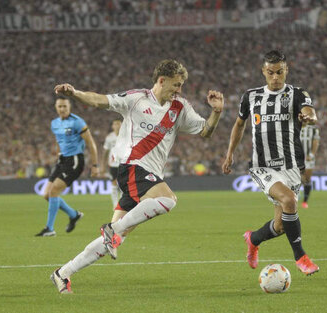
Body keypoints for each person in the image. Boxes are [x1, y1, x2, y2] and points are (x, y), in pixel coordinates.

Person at [50, 59, 224, 293]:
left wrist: (216, 112)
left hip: (148, 174)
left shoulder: (179, 107)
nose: (179, 90)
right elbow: (101, 100)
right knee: (168, 199)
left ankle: (63, 273)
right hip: (132, 167)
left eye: (181, 85)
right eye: (176, 84)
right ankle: (111, 231)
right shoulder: (136, 99)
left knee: (116, 237)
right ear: (162, 80)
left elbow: (205, 132)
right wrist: (75, 93)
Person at [222, 50, 319, 275]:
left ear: (287, 71)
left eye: (280, 72)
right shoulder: (251, 96)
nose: (275, 77)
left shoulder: (297, 94)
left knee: (282, 224)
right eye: (271, 72)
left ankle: (253, 239)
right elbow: (239, 125)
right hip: (262, 165)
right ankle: (301, 258)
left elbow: (310, 113)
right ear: (263, 72)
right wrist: (229, 154)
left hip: (291, 166)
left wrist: (309, 118)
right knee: (289, 199)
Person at [35, 98, 99, 237]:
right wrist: (58, 154)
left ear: (69, 107)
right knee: (46, 194)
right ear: (56, 107)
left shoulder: (77, 122)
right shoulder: (54, 123)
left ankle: (49, 228)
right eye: (59, 106)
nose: (62, 109)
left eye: (64, 106)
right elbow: (59, 141)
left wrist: (95, 165)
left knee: (54, 191)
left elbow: (91, 143)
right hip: (62, 160)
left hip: (75, 160)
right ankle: (73, 214)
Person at [101, 118, 122, 209]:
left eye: (119, 124)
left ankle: (121, 204)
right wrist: (103, 165)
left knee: (123, 184)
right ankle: (115, 204)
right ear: (112, 126)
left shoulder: (126, 136)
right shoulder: (109, 137)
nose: (117, 126)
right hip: (113, 164)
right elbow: (105, 152)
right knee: (114, 183)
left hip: (124, 163)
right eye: (115, 124)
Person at [299, 123, 320, 209]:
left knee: (307, 179)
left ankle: (305, 201)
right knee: (297, 177)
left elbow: (315, 143)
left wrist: (311, 155)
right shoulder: (295, 127)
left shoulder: (313, 129)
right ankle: (295, 195)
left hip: (308, 158)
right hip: (297, 157)